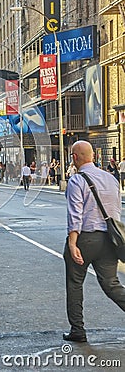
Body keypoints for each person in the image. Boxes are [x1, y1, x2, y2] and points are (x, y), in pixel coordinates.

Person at [63, 140, 125, 343]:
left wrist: (73, 243)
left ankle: (78, 330)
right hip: (109, 240)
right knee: (111, 284)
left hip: (85, 239)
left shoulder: (76, 180)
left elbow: (75, 215)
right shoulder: (111, 179)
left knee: (75, 283)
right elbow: (116, 212)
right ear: (93, 157)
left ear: (74, 157)